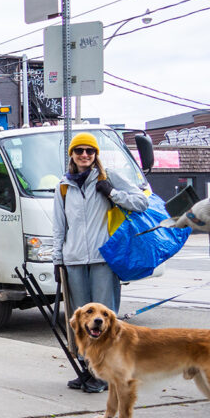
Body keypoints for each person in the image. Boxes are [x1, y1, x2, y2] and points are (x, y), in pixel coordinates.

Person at [52, 132, 148, 391]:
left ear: (96, 155)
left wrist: (113, 193)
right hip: (74, 261)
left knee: (104, 321)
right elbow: (59, 227)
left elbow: (141, 202)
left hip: (103, 258)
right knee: (82, 321)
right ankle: (88, 369)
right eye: (79, 150)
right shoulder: (62, 186)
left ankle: (106, 375)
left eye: (90, 151)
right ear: (72, 154)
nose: (85, 155)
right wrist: (57, 259)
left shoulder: (108, 178)